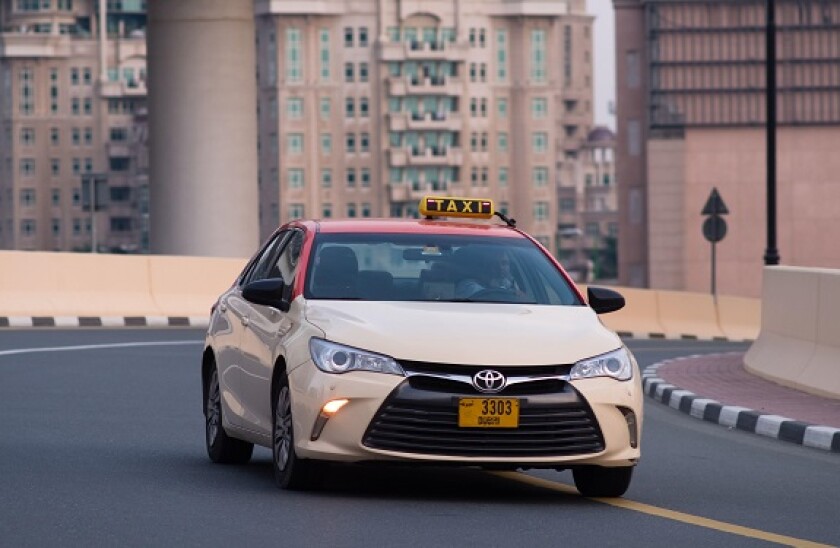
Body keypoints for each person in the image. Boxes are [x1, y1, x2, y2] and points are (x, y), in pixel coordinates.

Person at [454, 249, 519, 299]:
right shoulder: (467, 286)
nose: (500, 267)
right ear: (485, 266)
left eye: (504, 263)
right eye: (494, 263)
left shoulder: (509, 283)